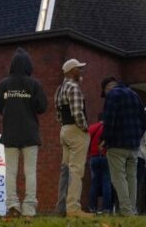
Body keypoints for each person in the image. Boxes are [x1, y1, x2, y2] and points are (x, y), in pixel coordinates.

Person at [0, 47, 47, 220]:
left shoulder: (3, 84)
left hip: (10, 133)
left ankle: (12, 207)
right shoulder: (34, 84)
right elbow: (42, 107)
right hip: (30, 133)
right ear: (28, 65)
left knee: (10, 171)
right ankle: (29, 210)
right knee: (30, 171)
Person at [100, 77, 146, 216]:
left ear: (108, 88)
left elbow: (109, 120)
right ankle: (132, 209)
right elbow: (144, 121)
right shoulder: (134, 94)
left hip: (116, 144)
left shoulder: (112, 96)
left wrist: (105, 139)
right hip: (133, 145)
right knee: (132, 177)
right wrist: (137, 136)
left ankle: (126, 210)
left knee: (118, 177)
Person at [54, 58, 92, 217]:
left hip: (64, 130)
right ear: (71, 72)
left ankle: (61, 208)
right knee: (76, 171)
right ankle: (73, 208)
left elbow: (58, 115)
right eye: (78, 69)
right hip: (76, 131)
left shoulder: (59, 89)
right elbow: (77, 112)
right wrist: (84, 128)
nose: (81, 71)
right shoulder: (74, 87)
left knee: (65, 171)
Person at [88, 113, 112, 214]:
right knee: (106, 182)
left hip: (93, 157)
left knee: (94, 183)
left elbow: (86, 142)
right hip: (106, 157)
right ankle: (106, 208)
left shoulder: (91, 128)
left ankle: (92, 207)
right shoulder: (109, 129)